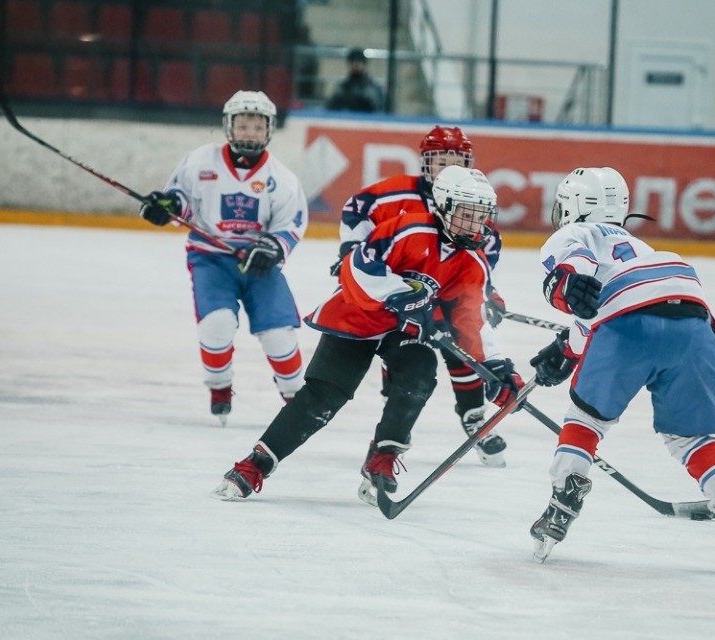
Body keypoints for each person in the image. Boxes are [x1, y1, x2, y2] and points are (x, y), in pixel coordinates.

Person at [212, 165, 523, 502]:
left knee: (419, 377)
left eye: (481, 215)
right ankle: (256, 464)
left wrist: (496, 366)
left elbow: (471, 316)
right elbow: (356, 268)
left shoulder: (473, 260)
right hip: (358, 317)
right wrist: (399, 292)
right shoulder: (405, 229)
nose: (476, 224)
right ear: (444, 206)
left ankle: (383, 458)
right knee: (324, 396)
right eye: (467, 213)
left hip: (406, 329)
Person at [526, 167, 715, 574]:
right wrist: (567, 349)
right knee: (688, 436)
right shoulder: (641, 247)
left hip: (630, 325)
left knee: (586, 419)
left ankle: (562, 502)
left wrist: (565, 287)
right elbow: (600, 311)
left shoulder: (575, 233)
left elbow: (580, 273)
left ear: (572, 206)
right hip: (694, 321)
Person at [332, 125, 510, 472]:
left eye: (456, 160)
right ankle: (394, 424)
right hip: (401, 298)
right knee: (403, 357)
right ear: (425, 161)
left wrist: (488, 292)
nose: (448, 167)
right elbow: (357, 209)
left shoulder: (475, 202)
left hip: (447, 298)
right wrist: (352, 251)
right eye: (440, 160)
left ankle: (475, 418)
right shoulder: (393, 193)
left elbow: (477, 266)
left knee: (464, 347)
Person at [139, 90, 309, 426]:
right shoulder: (200, 162)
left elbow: (290, 225)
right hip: (211, 259)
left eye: (257, 127)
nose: (250, 133)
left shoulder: (282, 179)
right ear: (228, 127)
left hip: (258, 265)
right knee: (216, 325)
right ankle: (219, 387)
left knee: (279, 335)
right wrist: (167, 207)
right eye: (243, 125)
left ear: (269, 129)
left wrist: (272, 248)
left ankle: (297, 399)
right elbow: (182, 202)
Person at [325, 48, 385, 113]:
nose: (356, 65)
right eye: (353, 62)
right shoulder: (343, 87)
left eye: (359, 62)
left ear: (364, 64)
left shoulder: (372, 89)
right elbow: (331, 107)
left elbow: (378, 110)